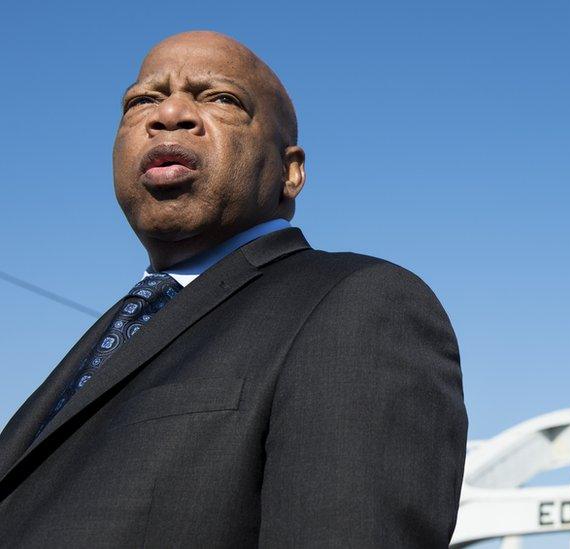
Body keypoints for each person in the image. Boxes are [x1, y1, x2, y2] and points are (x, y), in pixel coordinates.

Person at [0, 30, 468, 547]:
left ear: (291, 172)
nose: (168, 115)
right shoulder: (117, 331)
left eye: (220, 98)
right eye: (142, 101)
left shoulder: (358, 304)